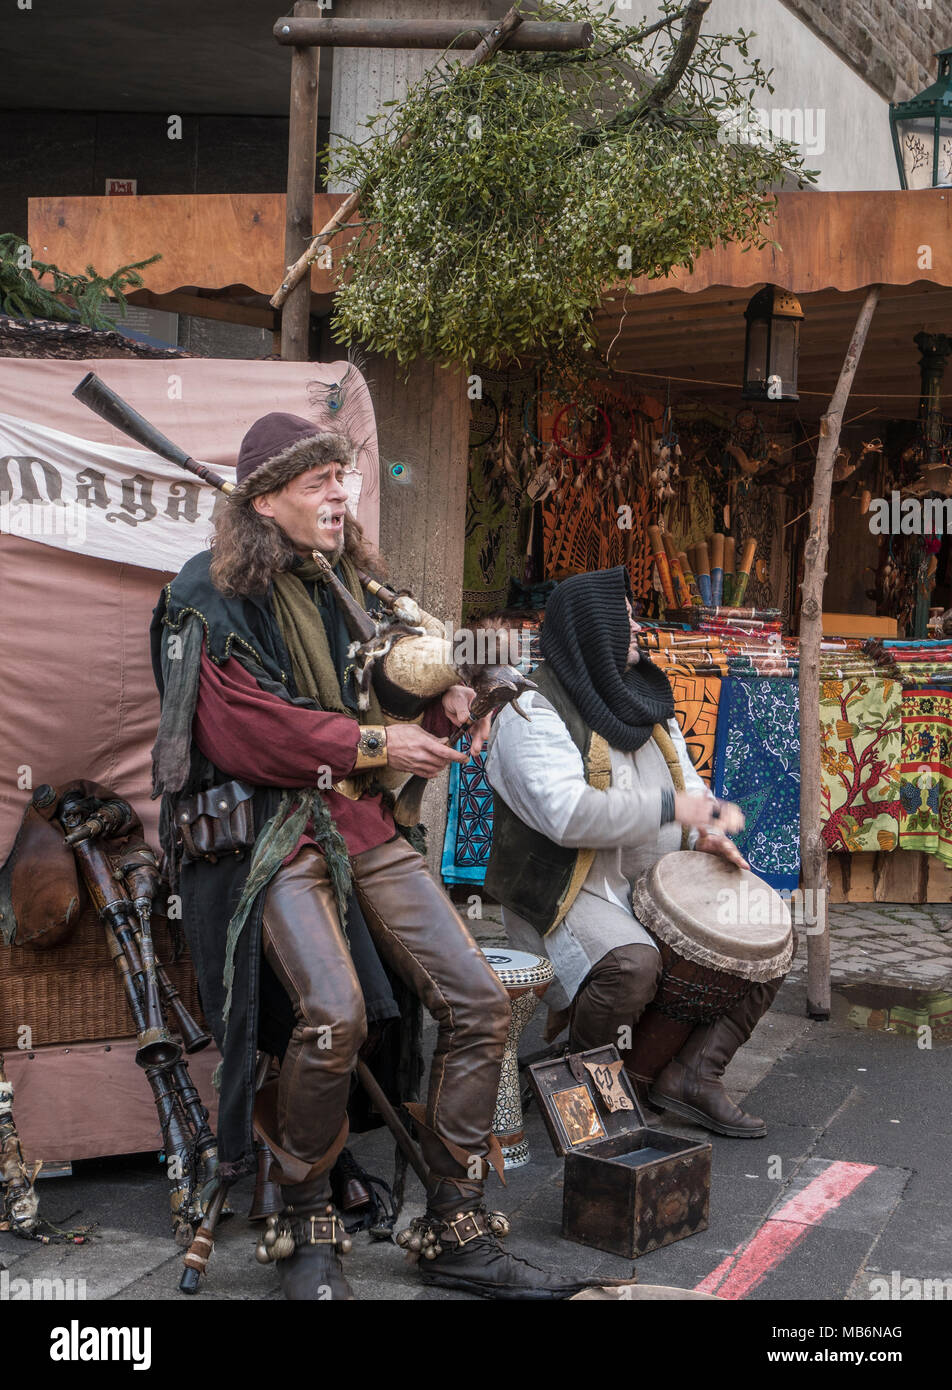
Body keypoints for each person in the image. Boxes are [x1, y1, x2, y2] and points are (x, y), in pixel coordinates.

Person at [150, 412, 600, 1301]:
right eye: (319, 482)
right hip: (266, 835)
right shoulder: (204, 594)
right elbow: (246, 733)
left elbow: (385, 704)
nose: (341, 495)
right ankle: (306, 1216)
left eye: (343, 479)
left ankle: (453, 1221)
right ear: (265, 498)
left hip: (358, 825)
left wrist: (447, 711)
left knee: (478, 1003)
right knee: (331, 1017)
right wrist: (379, 745)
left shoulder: (343, 585)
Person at [484, 566, 787, 1139]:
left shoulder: (644, 696)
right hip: (568, 894)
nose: (636, 629)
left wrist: (706, 833)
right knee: (631, 965)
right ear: (589, 628)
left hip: (651, 883)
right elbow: (568, 816)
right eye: (622, 619)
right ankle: (583, 1087)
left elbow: (688, 783)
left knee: (767, 937)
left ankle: (693, 1075)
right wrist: (674, 810)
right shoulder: (530, 712)